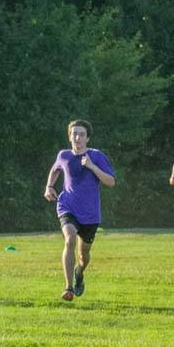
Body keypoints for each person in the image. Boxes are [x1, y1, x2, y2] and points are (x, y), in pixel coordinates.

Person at [44, 120, 116, 301]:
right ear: (69, 136)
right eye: (74, 134)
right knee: (69, 240)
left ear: (88, 138)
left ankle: (79, 272)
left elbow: (111, 182)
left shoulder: (97, 156)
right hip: (67, 206)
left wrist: (92, 166)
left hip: (90, 214)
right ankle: (68, 287)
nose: (77, 137)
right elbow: (55, 170)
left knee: (83, 256)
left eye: (81, 134)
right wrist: (49, 186)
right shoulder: (64, 155)